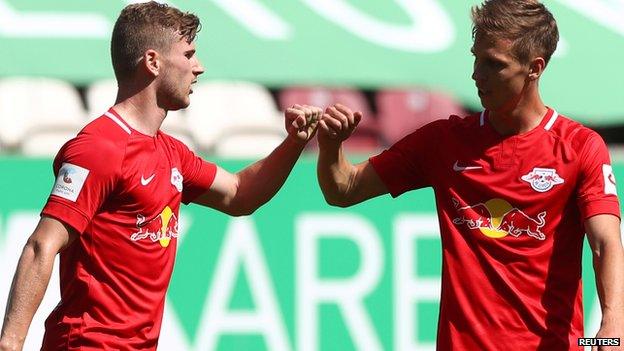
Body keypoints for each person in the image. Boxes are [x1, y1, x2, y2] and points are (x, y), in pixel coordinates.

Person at [0, 2, 321, 350]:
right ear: (153, 62)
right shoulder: (99, 148)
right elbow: (40, 245)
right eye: (189, 54)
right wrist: (11, 343)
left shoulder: (171, 152)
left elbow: (241, 194)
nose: (199, 67)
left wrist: (294, 143)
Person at [316, 1, 623, 350]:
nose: (477, 74)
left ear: (534, 68)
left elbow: (605, 243)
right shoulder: (443, 142)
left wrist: (613, 328)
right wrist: (330, 147)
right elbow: (344, 189)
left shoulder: (580, 147)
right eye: (476, 58)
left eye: (495, 64)